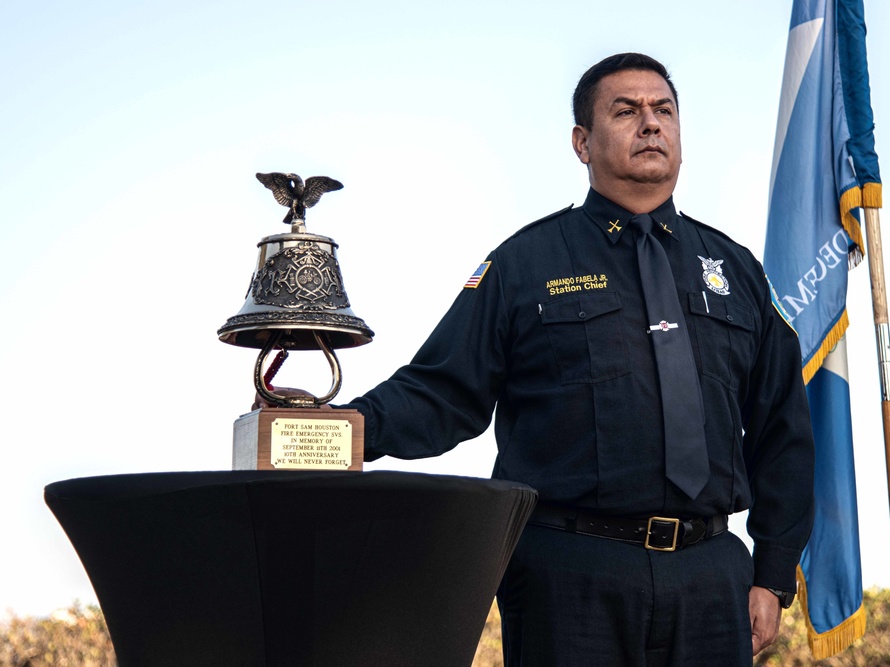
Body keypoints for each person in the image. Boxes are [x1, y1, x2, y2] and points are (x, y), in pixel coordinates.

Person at [261, 52, 814, 666]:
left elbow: (782, 430)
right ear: (582, 142)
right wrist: (338, 431)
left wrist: (773, 572)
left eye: (664, 110)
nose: (650, 124)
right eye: (625, 111)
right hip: (568, 578)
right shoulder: (525, 264)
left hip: (712, 580)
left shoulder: (735, 271)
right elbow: (443, 391)